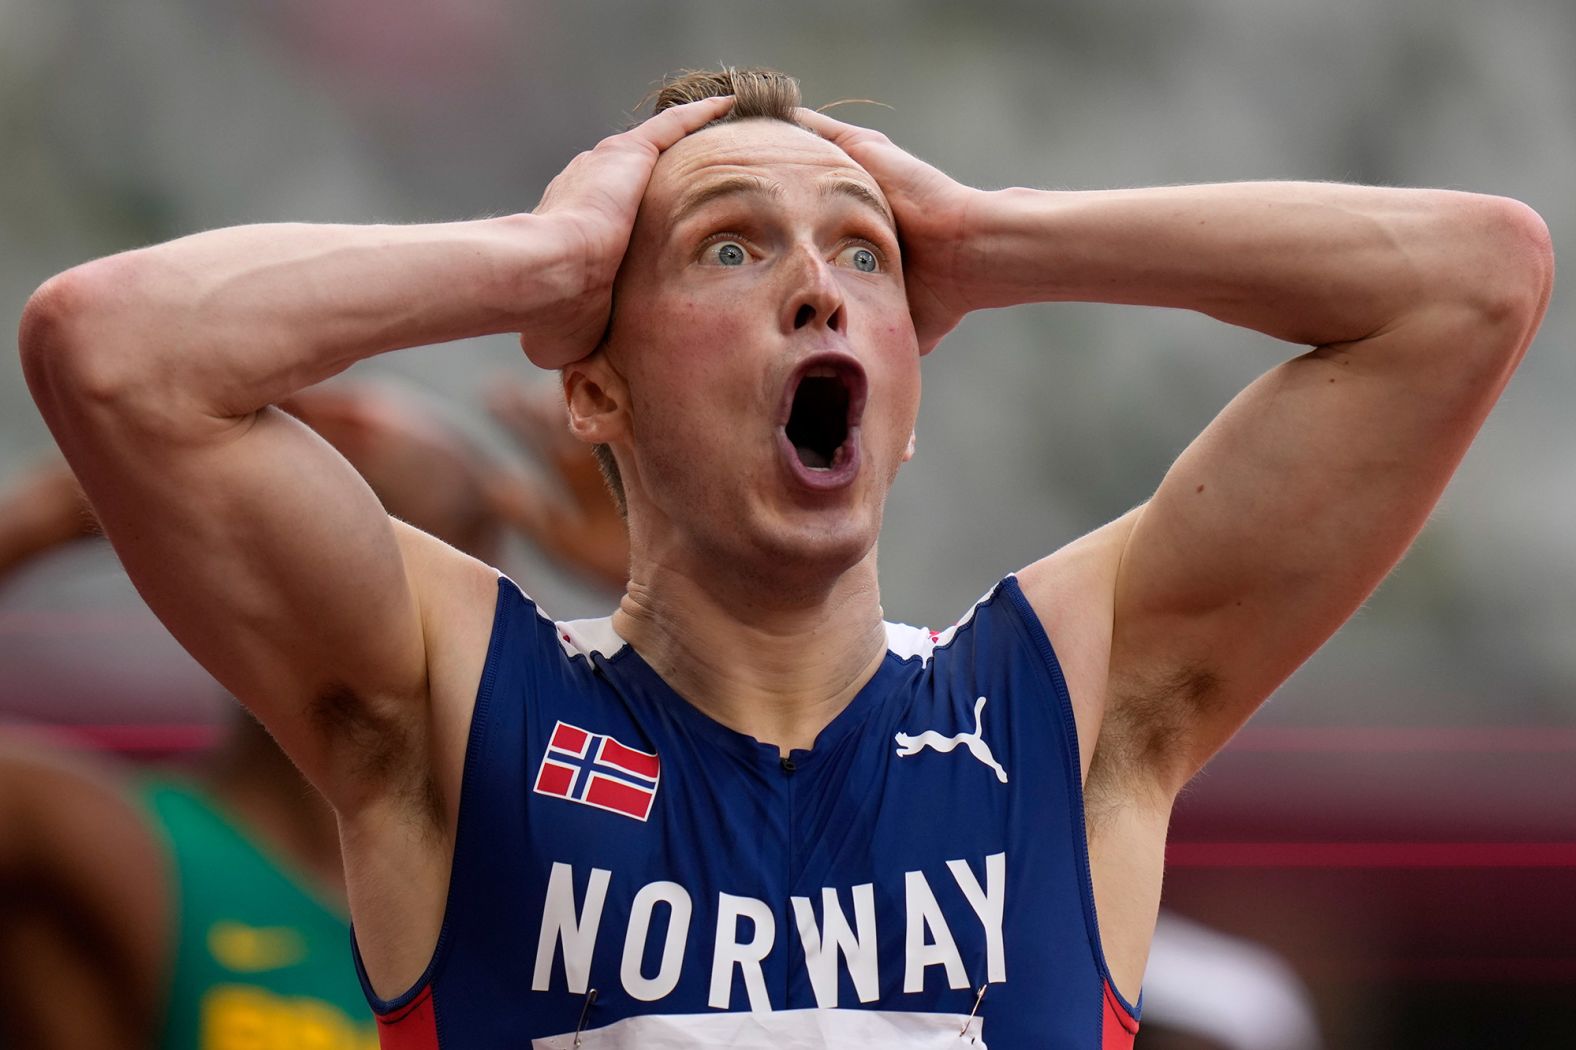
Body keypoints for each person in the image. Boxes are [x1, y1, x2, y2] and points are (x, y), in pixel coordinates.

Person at [18, 66, 1550, 1048]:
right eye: (732, 247)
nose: (817, 288)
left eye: (862, 254)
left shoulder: (1065, 709)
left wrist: (994, 237)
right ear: (596, 390)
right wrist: (543, 264)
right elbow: (108, 350)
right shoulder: (457, 703)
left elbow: (1478, 280)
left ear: (908, 396)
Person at [0, 381, 597, 1050]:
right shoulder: (110, 847)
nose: (329, 413)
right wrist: (57, 509)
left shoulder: (561, 908)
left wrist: (662, 583)